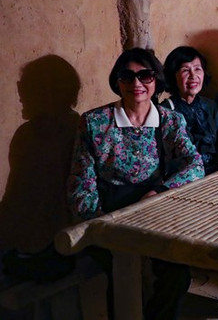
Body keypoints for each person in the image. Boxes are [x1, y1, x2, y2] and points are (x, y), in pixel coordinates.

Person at [67, 48, 204, 320]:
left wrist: (159, 192)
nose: (136, 84)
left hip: (153, 208)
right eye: (126, 76)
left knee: (177, 274)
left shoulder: (170, 120)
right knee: (122, 274)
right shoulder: (95, 122)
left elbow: (195, 164)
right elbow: (81, 184)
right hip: (109, 211)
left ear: (156, 80)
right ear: (117, 81)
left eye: (145, 75)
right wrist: (101, 225)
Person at [163, 46, 218, 174]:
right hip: (183, 178)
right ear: (173, 76)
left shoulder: (210, 106)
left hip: (213, 174)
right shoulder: (166, 111)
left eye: (197, 69)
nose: (193, 76)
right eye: (185, 70)